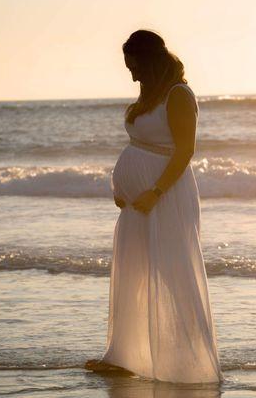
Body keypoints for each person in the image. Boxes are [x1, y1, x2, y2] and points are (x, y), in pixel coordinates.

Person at [85, 29, 223, 384]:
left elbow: (185, 151)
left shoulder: (178, 94)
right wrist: (121, 185)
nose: (130, 73)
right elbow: (139, 146)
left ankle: (189, 365)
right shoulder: (149, 96)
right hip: (137, 201)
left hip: (167, 196)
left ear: (148, 61)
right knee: (134, 271)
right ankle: (123, 356)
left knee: (172, 273)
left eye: (133, 65)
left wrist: (155, 191)